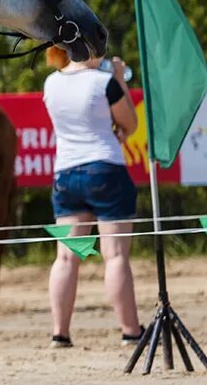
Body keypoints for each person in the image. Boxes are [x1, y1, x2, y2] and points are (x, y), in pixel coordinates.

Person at [42, 45, 143, 349]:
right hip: (104, 168)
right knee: (115, 255)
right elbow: (130, 124)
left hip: (66, 172)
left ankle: (60, 332)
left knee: (65, 257)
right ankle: (130, 330)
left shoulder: (51, 82)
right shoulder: (104, 83)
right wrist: (120, 79)